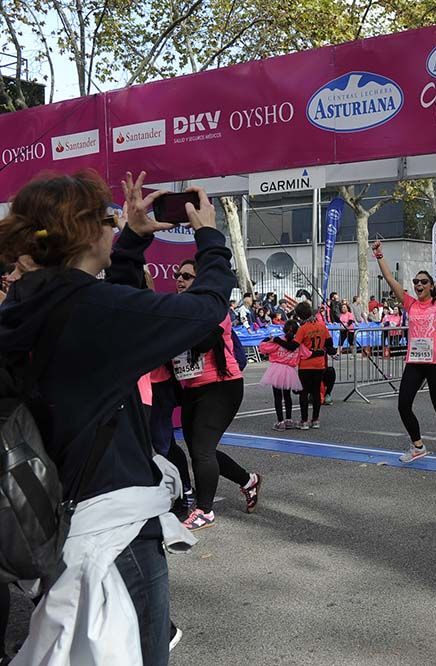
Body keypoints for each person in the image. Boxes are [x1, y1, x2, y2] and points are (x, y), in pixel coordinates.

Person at [0, 170, 233, 665]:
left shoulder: (25, 306)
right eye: (106, 220)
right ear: (84, 234)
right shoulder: (92, 309)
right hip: (116, 533)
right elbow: (206, 308)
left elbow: (116, 333)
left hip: (56, 521)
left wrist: (128, 243)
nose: (112, 226)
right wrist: (210, 238)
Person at [175, 260, 262, 530]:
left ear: (200, 281)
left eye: (187, 276)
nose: (180, 279)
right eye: (178, 275)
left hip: (222, 386)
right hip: (194, 386)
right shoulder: (183, 309)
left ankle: (204, 511)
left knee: (201, 451)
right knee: (201, 451)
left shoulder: (212, 308)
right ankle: (248, 481)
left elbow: (202, 343)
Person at [373, 240, 436, 463]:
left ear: (431, 285)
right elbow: (389, 279)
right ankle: (417, 445)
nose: (418, 284)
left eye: (423, 282)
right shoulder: (410, 303)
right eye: (416, 281)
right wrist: (379, 255)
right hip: (415, 361)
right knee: (403, 404)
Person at [259, 320, 310, 430]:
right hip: (289, 370)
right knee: (287, 396)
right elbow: (307, 354)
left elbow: (263, 347)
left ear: (284, 329)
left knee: (277, 396)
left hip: (276, 369)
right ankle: (288, 419)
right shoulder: (297, 344)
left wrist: (268, 339)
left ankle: (280, 422)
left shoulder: (278, 341)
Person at [293, 302, 332, 429]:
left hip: (305, 364)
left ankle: (304, 421)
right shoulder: (322, 325)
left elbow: (295, 345)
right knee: (316, 392)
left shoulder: (302, 328)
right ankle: (315, 419)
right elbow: (329, 343)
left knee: (303, 392)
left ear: (299, 315)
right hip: (319, 363)